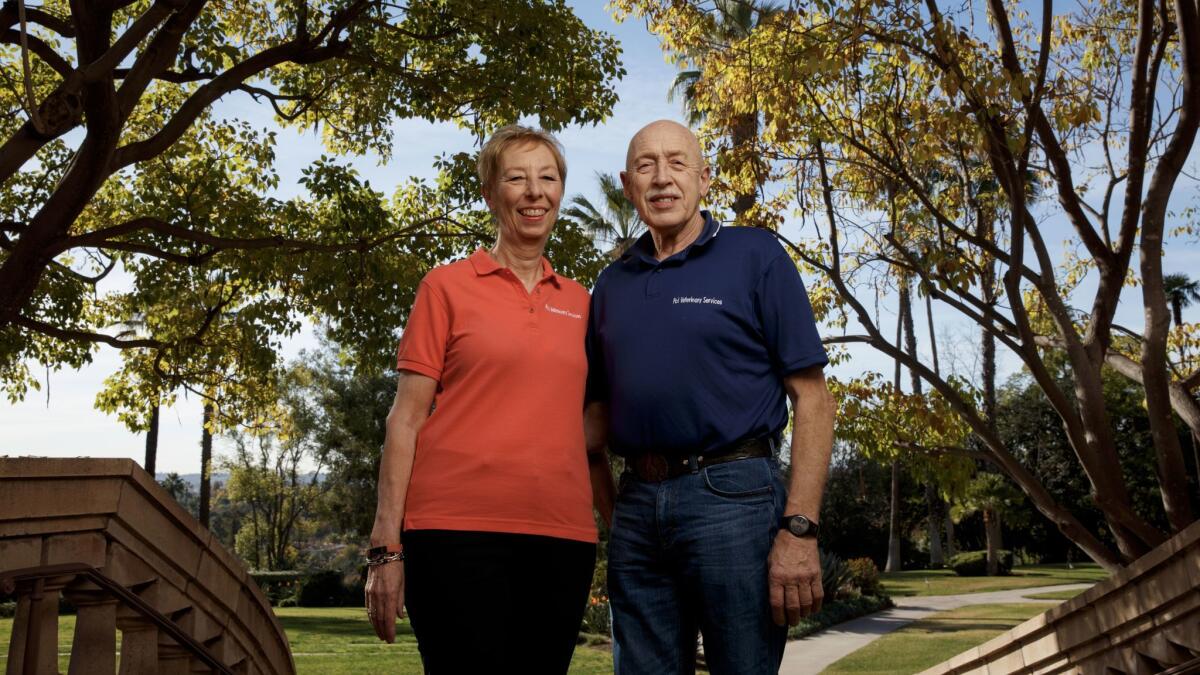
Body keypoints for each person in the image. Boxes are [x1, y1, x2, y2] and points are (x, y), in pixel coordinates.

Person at [585, 120, 836, 675]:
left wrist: (800, 530)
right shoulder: (611, 284)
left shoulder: (755, 255)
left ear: (705, 178)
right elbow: (593, 421)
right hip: (637, 504)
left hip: (734, 498)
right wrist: (616, 516)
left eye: (677, 163)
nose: (661, 178)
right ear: (628, 186)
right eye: (646, 166)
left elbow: (814, 401)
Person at [364, 125, 610, 674]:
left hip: (561, 538)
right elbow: (404, 421)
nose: (534, 192)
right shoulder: (445, 288)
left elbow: (594, 428)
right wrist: (386, 547)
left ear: (560, 193)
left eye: (548, 178)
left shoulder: (583, 303)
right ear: (490, 193)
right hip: (454, 534)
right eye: (516, 178)